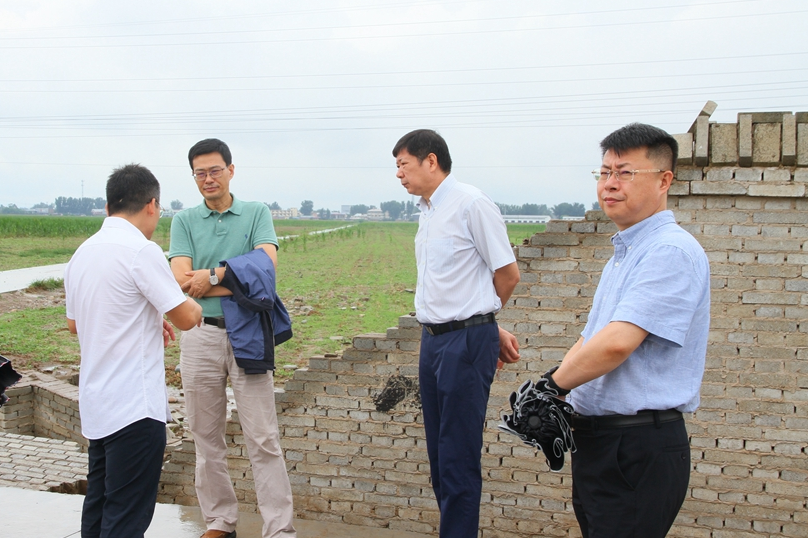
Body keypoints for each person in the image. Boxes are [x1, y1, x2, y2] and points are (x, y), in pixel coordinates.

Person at [543, 123, 710, 538]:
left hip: (637, 446)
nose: (610, 184)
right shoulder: (625, 252)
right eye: (604, 172)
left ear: (664, 180)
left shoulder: (668, 251)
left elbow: (617, 345)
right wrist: (555, 390)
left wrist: (551, 386)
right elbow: (591, 338)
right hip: (602, 443)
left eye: (625, 172)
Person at [392, 129, 521, 538]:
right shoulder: (427, 211)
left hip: (464, 343)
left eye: (403, 165)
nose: (398, 174)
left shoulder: (471, 204)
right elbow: (458, 282)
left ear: (431, 161)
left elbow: (507, 273)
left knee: (457, 457)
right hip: (433, 341)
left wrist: (483, 323)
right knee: (438, 456)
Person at [65, 164, 202, 538]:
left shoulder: (82, 253)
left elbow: (76, 323)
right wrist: (195, 296)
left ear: (109, 207)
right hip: (134, 409)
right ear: (152, 205)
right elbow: (187, 318)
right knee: (126, 517)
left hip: (97, 405)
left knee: (99, 504)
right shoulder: (142, 251)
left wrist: (145, 314)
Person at [169, 138, 296, 538]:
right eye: (200, 173)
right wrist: (238, 279)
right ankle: (220, 522)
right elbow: (179, 281)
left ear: (231, 170)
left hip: (249, 335)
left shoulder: (256, 213)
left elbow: (267, 271)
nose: (208, 179)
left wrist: (212, 276)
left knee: (263, 438)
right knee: (206, 437)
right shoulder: (184, 220)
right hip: (199, 336)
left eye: (215, 170)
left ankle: (279, 528)